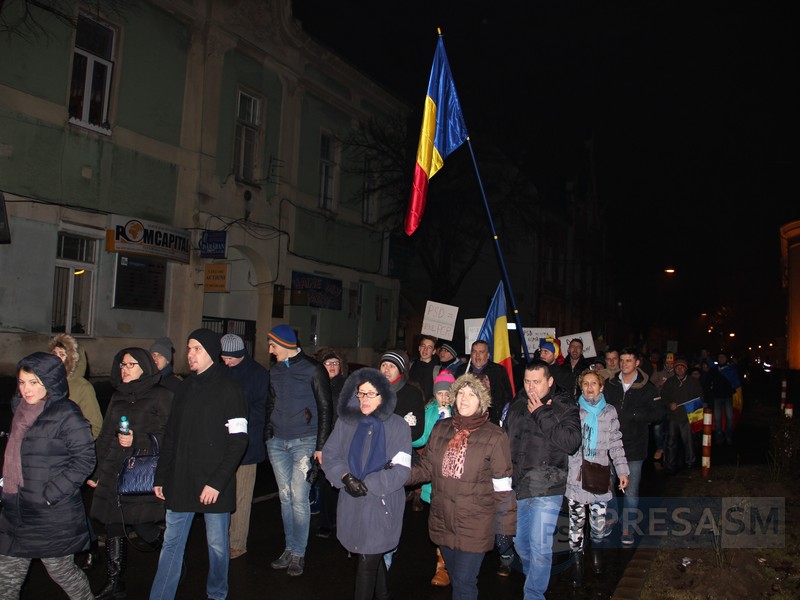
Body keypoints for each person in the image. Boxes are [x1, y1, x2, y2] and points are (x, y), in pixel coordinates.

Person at [150, 329, 248, 600]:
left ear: (211, 353)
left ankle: (217, 593)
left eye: (196, 349)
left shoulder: (230, 389)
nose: (190, 354)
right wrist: (161, 476)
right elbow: (171, 435)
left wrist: (217, 482)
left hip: (214, 484)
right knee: (171, 544)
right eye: (189, 348)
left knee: (217, 546)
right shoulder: (183, 388)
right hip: (181, 480)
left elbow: (239, 441)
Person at [407, 374, 516, 600]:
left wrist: (505, 529)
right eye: (461, 394)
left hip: (475, 524)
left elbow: (503, 488)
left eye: (472, 394)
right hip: (443, 520)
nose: (464, 399)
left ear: (482, 401)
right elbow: (427, 467)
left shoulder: (495, 436)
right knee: (456, 578)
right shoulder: (441, 429)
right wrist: (397, 475)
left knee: (465, 584)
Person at [0, 352, 96, 600]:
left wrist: (51, 494)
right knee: (6, 581)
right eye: (22, 382)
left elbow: (85, 460)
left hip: (50, 514)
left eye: (34, 382)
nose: (26, 389)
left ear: (50, 381)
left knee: (62, 571)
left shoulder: (66, 413)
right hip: (16, 512)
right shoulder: (20, 411)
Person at [88, 347, 172, 599]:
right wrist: (97, 470)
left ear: (144, 367)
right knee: (115, 521)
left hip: (142, 469)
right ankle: (115, 581)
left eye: (130, 365)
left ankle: (171, 552)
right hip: (116, 466)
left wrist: (140, 439)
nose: (124, 370)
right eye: (122, 365)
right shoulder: (118, 396)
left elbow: (171, 435)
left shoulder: (161, 395)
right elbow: (105, 436)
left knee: (142, 522)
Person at [321, 368, 412, 600]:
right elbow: (331, 454)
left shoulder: (398, 426)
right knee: (371, 554)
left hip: (382, 503)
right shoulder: (346, 422)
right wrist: (344, 477)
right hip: (351, 501)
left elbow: (401, 470)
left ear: (384, 395)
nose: (364, 399)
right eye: (361, 394)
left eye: (371, 394)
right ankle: (383, 595)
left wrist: (367, 484)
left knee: (366, 563)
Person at [504, 360, 581, 599]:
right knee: (520, 544)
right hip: (519, 485)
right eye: (527, 381)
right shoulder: (517, 403)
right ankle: (533, 577)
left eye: (536, 382)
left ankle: (534, 594)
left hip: (549, 485)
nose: (531, 387)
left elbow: (571, 442)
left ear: (549, 381)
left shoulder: (564, 405)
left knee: (540, 546)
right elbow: (506, 440)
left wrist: (541, 413)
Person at [265, 324, 332, 577]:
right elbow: (270, 403)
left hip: (304, 441)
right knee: (285, 497)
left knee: (299, 496)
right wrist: (267, 436)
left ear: (284, 344)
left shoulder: (314, 369)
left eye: (273, 346)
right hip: (277, 443)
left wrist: (321, 446)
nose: (270, 351)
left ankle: (299, 553)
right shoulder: (275, 371)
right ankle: (289, 548)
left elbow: (326, 407)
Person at [565, 369, 629, 586]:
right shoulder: (573, 411)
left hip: (600, 475)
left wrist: (622, 471)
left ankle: (597, 554)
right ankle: (577, 562)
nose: (590, 387)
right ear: (581, 387)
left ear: (601, 387)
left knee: (599, 522)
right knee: (576, 523)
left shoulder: (609, 412)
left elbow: (616, 442)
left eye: (594, 383)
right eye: (585, 384)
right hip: (576, 475)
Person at [603, 347, 665, 546]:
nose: (623, 364)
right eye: (622, 360)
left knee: (630, 490)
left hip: (634, 447)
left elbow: (658, 414)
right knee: (607, 485)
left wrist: (636, 416)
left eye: (628, 360)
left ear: (637, 363)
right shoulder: (611, 384)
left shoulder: (647, 388)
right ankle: (611, 517)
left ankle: (628, 527)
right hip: (611, 446)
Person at [219, 333, 269, 560]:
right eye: (223, 357)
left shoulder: (258, 375)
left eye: (230, 358)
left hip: (247, 445)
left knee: (241, 497)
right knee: (221, 494)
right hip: (221, 445)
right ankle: (220, 537)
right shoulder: (220, 372)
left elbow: (262, 409)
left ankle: (237, 543)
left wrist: (238, 418)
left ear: (240, 355)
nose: (226, 361)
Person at [412, 369, 456, 586]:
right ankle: (442, 565)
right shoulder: (429, 411)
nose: (444, 397)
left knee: (453, 521)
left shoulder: (462, 409)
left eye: (448, 392)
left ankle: (452, 563)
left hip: (456, 478)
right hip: (434, 477)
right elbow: (419, 439)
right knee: (439, 523)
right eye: (440, 393)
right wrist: (409, 428)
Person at [379, 349, 426, 513]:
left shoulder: (411, 393)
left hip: (397, 458)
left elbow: (417, 431)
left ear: (400, 369)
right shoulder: (372, 390)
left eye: (391, 366)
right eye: (383, 365)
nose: (386, 369)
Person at [314, 348, 348, 539]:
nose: (333, 366)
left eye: (336, 363)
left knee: (338, 481)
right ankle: (326, 521)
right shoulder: (318, 383)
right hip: (322, 440)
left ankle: (338, 520)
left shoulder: (346, 385)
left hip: (341, 439)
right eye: (328, 363)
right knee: (324, 482)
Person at [49, 333, 103, 439]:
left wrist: (73, 446)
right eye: (54, 354)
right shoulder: (46, 382)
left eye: (62, 355)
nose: (56, 359)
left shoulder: (83, 387)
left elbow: (95, 427)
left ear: (72, 360)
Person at [455, 340, 513, 425]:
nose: (477, 355)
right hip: (467, 419)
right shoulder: (462, 370)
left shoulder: (498, 371)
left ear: (488, 355)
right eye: (474, 352)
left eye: (481, 352)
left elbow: (507, 395)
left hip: (492, 420)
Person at [661, 357, 702, 472]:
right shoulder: (670, 382)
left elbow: (699, 398)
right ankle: (670, 464)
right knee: (671, 442)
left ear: (686, 369)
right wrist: (669, 404)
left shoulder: (693, 383)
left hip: (687, 417)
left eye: (682, 367)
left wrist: (694, 415)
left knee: (688, 442)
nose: (679, 369)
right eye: (677, 367)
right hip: (673, 417)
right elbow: (663, 396)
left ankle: (690, 462)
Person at [709, 351, 741, 445]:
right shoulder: (714, 370)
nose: (721, 359)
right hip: (717, 397)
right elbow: (709, 381)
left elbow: (736, 382)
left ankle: (728, 436)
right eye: (719, 357)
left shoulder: (731, 369)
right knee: (717, 418)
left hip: (727, 397)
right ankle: (719, 437)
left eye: (723, 357)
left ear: (726, 358)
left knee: (730, 418)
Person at [408, 335, 439, 401]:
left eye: (429, 347)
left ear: (433, 351)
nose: (425, 349)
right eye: (423, 346)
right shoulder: (410, 365)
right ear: (419, 348)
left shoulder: (437, 370)